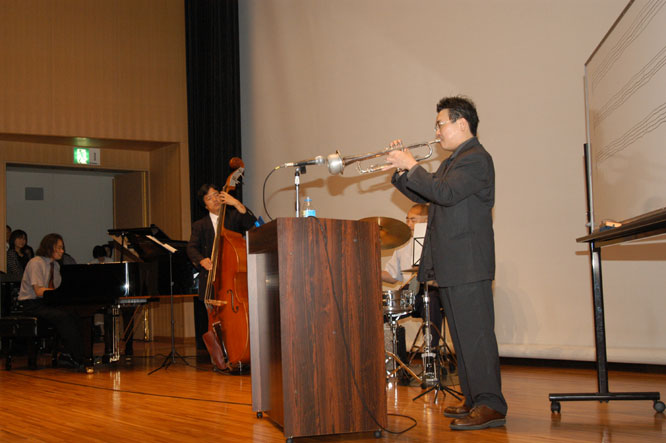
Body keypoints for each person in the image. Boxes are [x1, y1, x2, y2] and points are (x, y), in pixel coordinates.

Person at [387, 96, 507, 430]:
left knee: (477, 337)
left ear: (461, 124)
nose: (437, 131)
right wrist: (402, 171)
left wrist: (412, 164)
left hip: (468, 264)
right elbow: (427, 193)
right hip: (454, 265)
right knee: (463, 339)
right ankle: (474, 399)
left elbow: (445, 193)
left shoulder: (476, 158)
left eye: (440, 124)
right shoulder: (454, 162)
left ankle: (491, 404)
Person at [186, 183, 257, 351]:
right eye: (209, 198)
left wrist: (237, 204)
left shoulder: (233, 216)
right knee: (214, 321)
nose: (215, 199)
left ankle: (238, 349)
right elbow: (191, 248)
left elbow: (252, 225)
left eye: (216, 195)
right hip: (211, 281)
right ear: (205, 205)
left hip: (233, 281)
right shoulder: (200, 225)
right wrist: (202, 260)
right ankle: (218, 355)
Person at [17, 233, 86, 370]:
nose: (62, 251)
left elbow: (57, 289)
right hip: (32, 304)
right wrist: (59, 293)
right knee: (63, 317)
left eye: (62, 248)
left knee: (76, 314)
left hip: (46, 303)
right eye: (59, 248)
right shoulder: (36, 263)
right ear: (49, 247)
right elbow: (38, 291)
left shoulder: (56, 266)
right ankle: (78, 357)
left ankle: (70, 354)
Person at [381, 204, 443, 350]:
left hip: (433, 290)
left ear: (427, 220)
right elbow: (392, 277)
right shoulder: (403, 245)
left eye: (413, 220)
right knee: (381, 307)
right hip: (410, 292)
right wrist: (371, 270)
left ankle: (432, 352)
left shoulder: (439, 242)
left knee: (431, 301)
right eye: (407, 219)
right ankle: (392, 355)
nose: (408, 224)